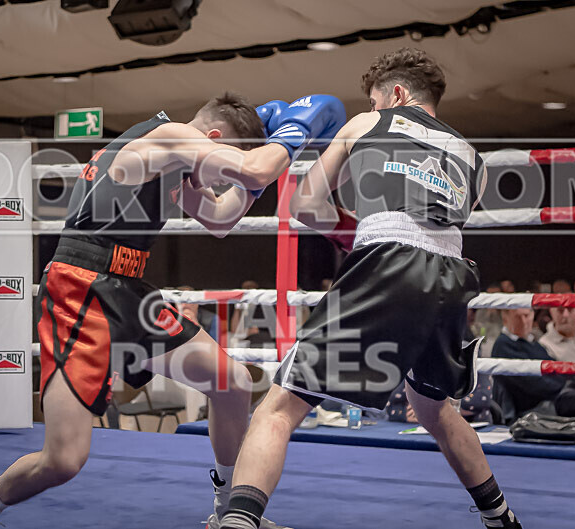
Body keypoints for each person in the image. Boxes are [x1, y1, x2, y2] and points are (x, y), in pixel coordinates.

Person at [0, 92, 346, 529]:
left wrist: (255, 178)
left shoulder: (176, 163)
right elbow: (255, 167)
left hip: (128, 289)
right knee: (63, 459)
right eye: (224, 156)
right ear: (211, 138)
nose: (224, 174)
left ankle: (229, 511)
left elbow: (222, 220)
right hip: (80, 288)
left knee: (232, 382)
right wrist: (291, 135)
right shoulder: (169, 136)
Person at [218, 48, 523, 529]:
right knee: (433, 408)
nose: (374, 108)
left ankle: (237, 520)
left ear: (397, 94)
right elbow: (435, 221)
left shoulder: (365, 123)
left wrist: (353, 229)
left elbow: (306, 203)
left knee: (279, 407)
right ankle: (501, 516)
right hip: (453, 277)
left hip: (387, 261)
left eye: (378, 100)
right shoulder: (474, 159)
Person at [491, 309, 564, 424]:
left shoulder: (534, 344)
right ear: (505, 319)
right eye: (517, 317)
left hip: (548, 403)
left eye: (526, 316)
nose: (524, 321)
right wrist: (565, 385)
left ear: (533, 315)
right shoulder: (503, 346)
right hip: (528, 414)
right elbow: (534, 384)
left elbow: (555, 369)